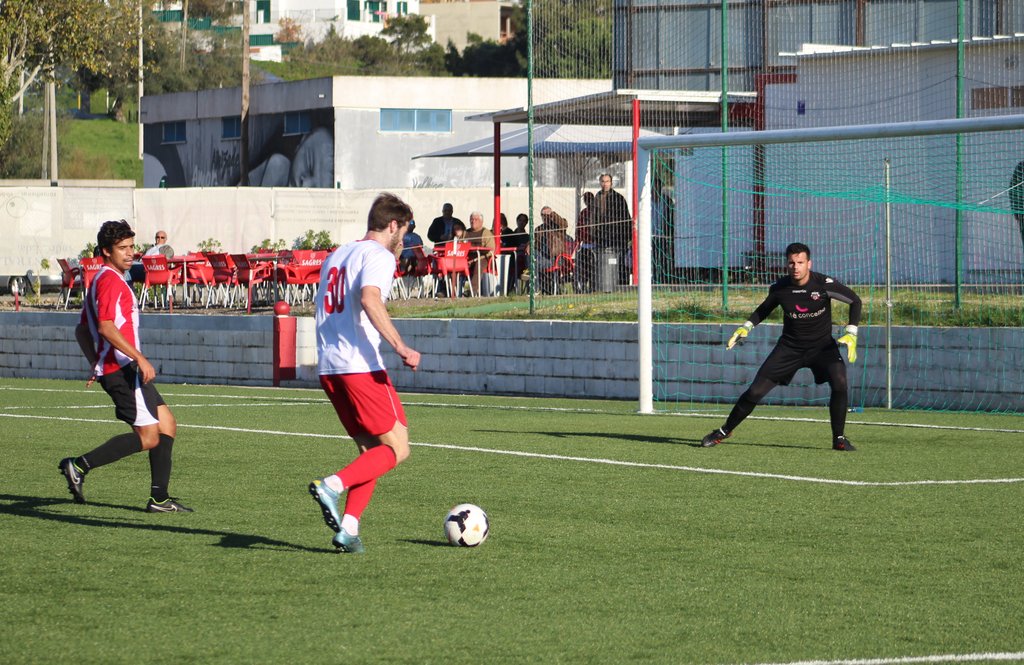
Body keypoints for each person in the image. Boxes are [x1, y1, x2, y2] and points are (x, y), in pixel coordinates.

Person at [308, 192, 421, 553]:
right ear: (393, 225)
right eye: (404, 231)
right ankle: (332, 485)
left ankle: (349, 529)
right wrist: (400, 346)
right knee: (397, 449)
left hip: (330, 367)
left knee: (371, 452)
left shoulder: (338, 255)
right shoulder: (378, 255)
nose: (404, 239)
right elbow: (370, 298)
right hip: (360, 366)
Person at [59, 219, 191, 512]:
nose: (130, 253)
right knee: (149, 436)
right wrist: (139, 358)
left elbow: (82, 330)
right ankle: (79, 466)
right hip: (122, 370)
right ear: (106, 251)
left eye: (132, 246)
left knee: (167, 424)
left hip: (121, 367)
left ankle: (159, 499)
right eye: (123, 248)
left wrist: (95, 361)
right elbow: (105, 327)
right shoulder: (109, 281)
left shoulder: (102, 279)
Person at [701, 242, 862, 452]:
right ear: (787, 264)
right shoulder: (780, 288)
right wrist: (746, 327)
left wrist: (851, 332)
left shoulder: (823, 284)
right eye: (792, 263)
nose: (796, 267)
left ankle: (839, 438)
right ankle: (724, 431)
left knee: (840, 382)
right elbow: (764, 309)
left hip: (822, 348)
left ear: (809, 263)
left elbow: (855, 301)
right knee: (755, 392)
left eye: (800, 262)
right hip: (789, 348)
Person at [592, 174, 632, 284]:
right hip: (602, 238)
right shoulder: (597, 197)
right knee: (604, 264)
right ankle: (605, 284)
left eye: (607, 181)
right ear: (600, 183)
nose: (605, 184)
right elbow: (594, 218)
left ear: (611, 183)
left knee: (620, 263)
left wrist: (627, 237)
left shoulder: (618, 198)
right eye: (603, 181)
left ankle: (622, 285)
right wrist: (594, 234)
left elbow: (626, 218)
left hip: (617, 238)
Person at [532, 206, 572, 294]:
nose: (546, 217)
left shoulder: (559, 227)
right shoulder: (539, 229)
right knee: (533, 257)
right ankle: (536, 289)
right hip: (543, 257)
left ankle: (536, 289)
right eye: (543, 215)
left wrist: (553, 215)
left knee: (535, 264)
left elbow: (564, 224)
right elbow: (536, 246)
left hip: (557, 258)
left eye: (548, 215)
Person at [463, 211, 495, 296]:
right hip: (467, 257)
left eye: (476, 219)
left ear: (481, 221)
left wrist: (476, 259)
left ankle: (472, 291)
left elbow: (491, 249)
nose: (473, 221)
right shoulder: (465, 233)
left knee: (478, 266)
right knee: (454, 265)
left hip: (482, 258)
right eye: (471, 219)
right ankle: (449, 290)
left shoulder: (486, 233)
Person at [575, 192, 597, 293]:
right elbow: (579, 228)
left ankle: (593, 286)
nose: (587, 202)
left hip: (595, 244)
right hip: (585, 245)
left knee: (593, 267)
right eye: (586, 200)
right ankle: (583, 285)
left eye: (589, 199)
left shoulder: (597, 212)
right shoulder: (583, 213)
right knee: (584, 266)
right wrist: (578, 240)